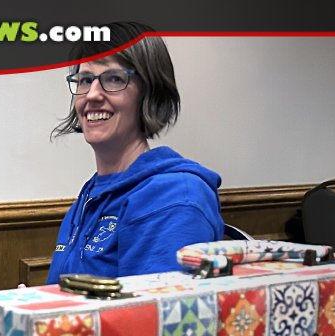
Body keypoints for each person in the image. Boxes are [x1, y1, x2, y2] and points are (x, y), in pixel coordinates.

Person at [46, 22, 224, 284]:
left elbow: (153, 319)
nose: (93, 94)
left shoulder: (175, 197)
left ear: (149, 92)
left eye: (114, 79)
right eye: (85, 80)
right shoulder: (91, 195)